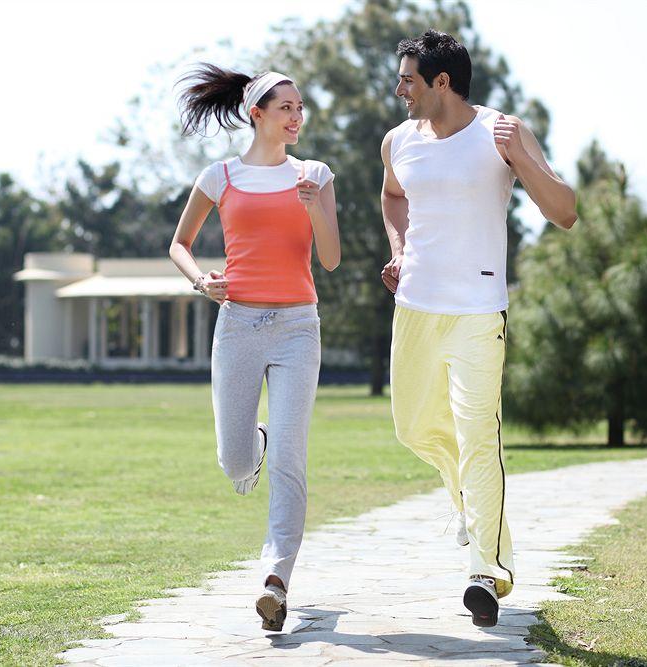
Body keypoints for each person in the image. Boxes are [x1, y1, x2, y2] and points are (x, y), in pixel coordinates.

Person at [379, 30, 577, 627]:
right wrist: (400, 247)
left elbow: (564, 211)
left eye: (408, 80)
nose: (399, 90)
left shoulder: (502, 131)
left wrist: (520, 158)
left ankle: (486, 573)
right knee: (413, 428)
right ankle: (474, 510)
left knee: (477, 440)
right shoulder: (397, 142)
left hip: (477, 311)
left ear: (442, 82)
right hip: (414, 307)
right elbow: (392, 199)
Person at [169, 64, 340, 631]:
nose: (297, 116)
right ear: (256, 114)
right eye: (286, 107)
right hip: (237, 325)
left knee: (291, 459)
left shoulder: (314, 173)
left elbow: (332, 259)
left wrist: (313, 203)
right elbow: (180, 244)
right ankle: (252, 444)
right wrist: (202, 281)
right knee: (236, 463)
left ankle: (276, 579)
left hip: (297, 328)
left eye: (300, 107)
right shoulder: (219, 177)